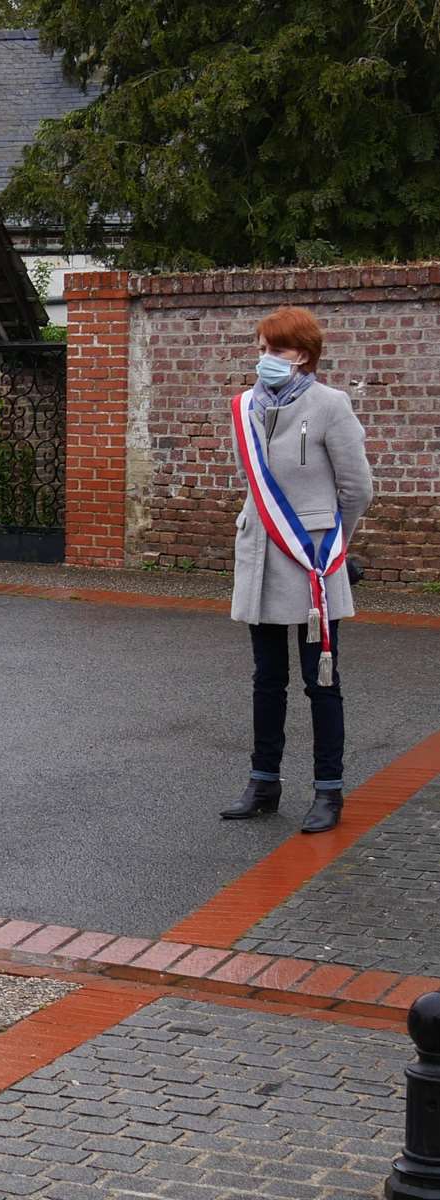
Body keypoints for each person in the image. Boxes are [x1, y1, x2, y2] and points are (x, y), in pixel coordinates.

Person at [221, 306, 373, 833]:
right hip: (260, 555)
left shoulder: (330, 404)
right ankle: (263, 783)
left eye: (277, 350)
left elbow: (357, 489)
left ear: (303, 356)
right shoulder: (244, 406)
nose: (265, 358)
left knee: (320, 680)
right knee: (267, 679)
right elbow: (250, 480)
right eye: (261, 348)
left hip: (312, 559)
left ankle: (328, 790)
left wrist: (333, 546)